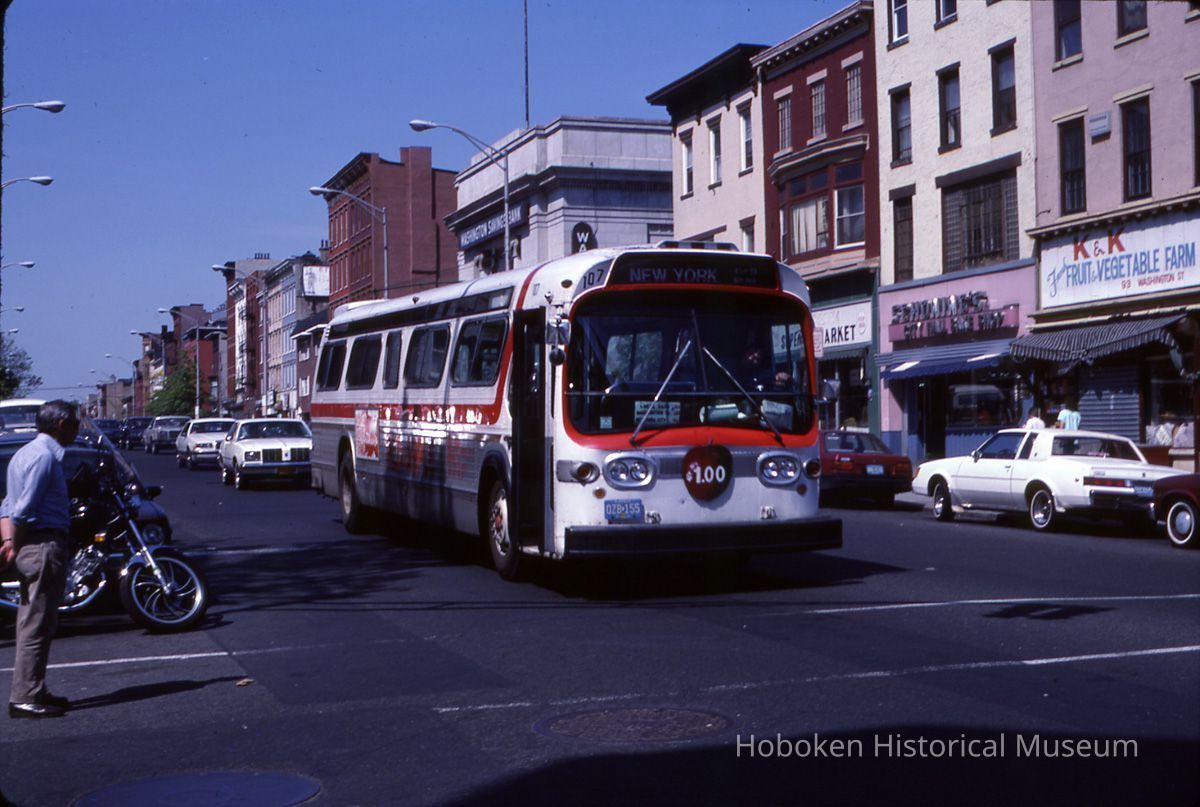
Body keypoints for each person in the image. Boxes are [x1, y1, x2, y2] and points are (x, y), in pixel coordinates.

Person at [0, 401, 80, 719]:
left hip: (30, 544)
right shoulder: (44, 458)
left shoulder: (24, 454)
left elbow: (6, 506)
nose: (76, 429)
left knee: (34, 621)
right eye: (74, 423)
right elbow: (22, 511)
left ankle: (34, 687)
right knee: (37, 623)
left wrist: (8, 543)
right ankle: (24, 697)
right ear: (60, 424)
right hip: (43, 545)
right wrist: (14, 547)